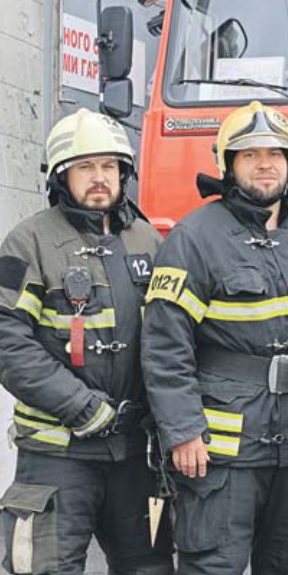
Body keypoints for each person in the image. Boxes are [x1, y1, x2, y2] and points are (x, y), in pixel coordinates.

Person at [141, 101, 288, 575]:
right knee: (213, 565)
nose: (265, 163)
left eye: (276, 153)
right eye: (250, 154)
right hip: (222, 451)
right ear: (228, 165)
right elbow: (165, 343)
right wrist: (183, 431)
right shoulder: (194, 237)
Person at [0, 109, 173, 574]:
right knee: (47, 568)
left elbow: (173, 336)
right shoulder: (28, 243)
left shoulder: (147, 241)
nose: (100, 178)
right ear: (62, 177)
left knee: (150, 568)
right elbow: (7, 339)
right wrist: (80, 405)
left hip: (136, 452)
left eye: (109, 167)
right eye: (85, 167)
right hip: (59, 454)